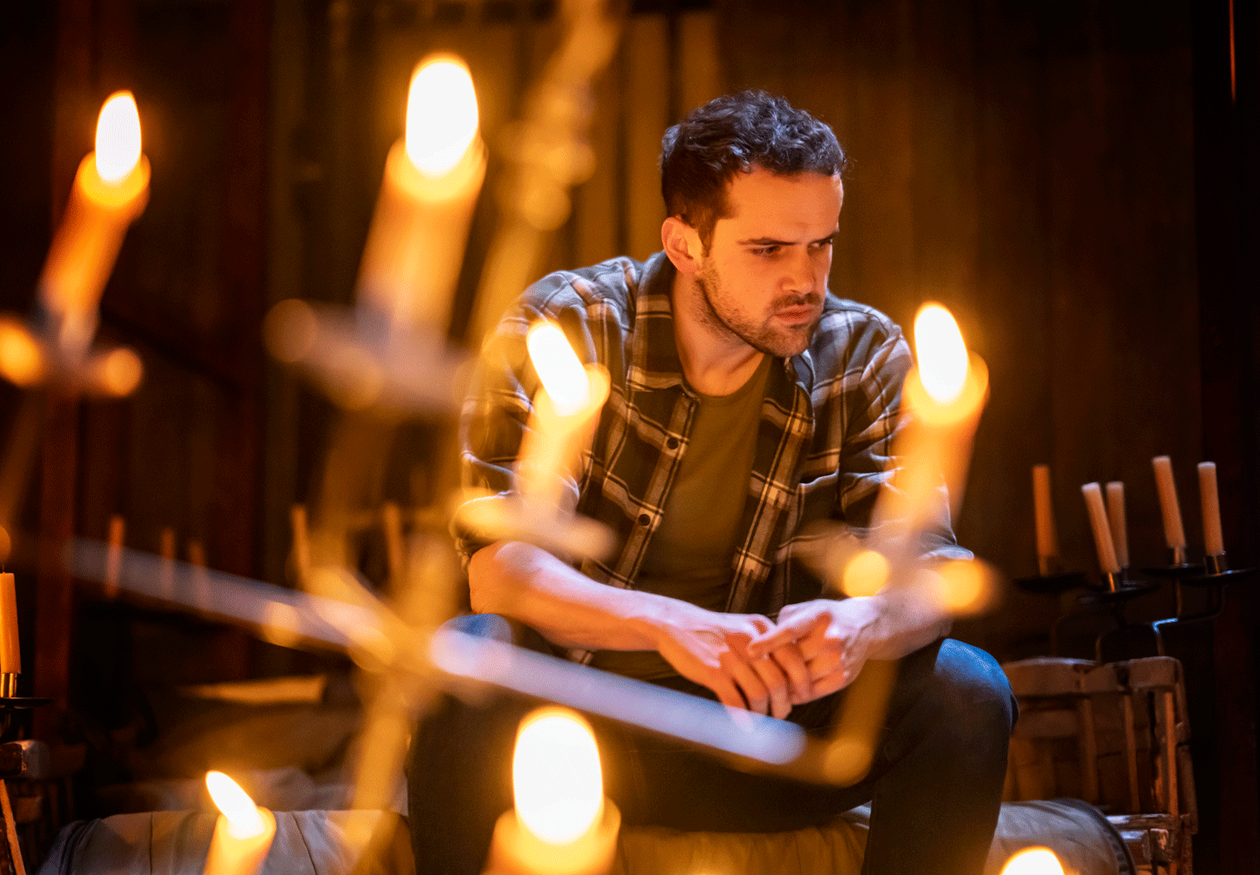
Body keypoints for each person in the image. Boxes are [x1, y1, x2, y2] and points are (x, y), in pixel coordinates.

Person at [407, 90, 1015, 875]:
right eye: (769, 250)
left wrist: (863, 621)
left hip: (766, 735)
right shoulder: (571, 324)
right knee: (471, 652)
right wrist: (672, 625)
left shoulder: (862, 354)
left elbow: (934, 571)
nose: (807, 280)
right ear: (685, 242)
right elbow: (501, 573)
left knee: (968, 689)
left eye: (821, 244)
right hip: (587, 732)